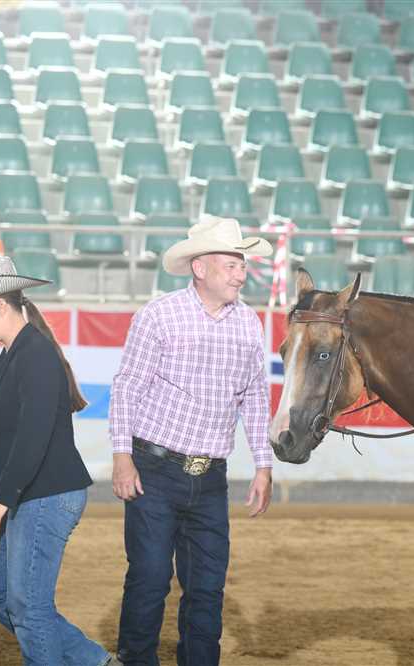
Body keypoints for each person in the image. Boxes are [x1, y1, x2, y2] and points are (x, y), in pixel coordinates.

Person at [110, 215, 275, 665]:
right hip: (153, 471)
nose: (240, 275)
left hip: (211, 477)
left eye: (242, 266)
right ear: (200, 268)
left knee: (207, 585)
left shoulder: (249, 324)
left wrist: (263, 465)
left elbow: (254, 396)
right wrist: (122, 456)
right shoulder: (158, 315)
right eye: (231, 265)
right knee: (149, 579)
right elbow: (127, 387)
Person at [0, 257, 114, 666]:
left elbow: (34, 434)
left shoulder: (33, 354)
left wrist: (3, 497)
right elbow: (10, 440)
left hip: (47, 494)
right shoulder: (17, 352)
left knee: (28, 607)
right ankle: (93, 660)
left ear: (1, 304)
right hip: (29, 491)